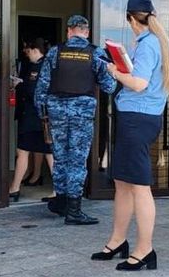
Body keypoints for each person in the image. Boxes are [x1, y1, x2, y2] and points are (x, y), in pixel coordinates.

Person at [94, 0, 169, 270]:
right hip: (144, 118)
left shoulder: (148, 45)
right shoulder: (163, 43)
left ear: (131, 18)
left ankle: (144, 249)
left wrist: (114, 70)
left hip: (136, 119)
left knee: (139, 187)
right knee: (124, 183)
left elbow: (139, 83)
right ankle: (118, 240)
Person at [34, 14, 117, 225]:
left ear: (69, 31)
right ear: (86, 32)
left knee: (60, 158)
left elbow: (41, 89)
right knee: (77, 161)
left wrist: (43, 115)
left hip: (56, 113)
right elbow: (109, 86)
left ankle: (61, 201)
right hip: (81, 115)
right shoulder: (96, 53)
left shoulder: (55, 52)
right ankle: (74, 209)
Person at [9, 38, 54, 201]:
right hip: (38, 117)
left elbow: (34, 91)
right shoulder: (42, 65)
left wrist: (18, 85)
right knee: (45, 153)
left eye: (28, 51)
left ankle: (14, 188)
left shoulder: (41, 67)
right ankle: (15, 187)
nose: (27, 55)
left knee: (30, 152)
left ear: (36, 50)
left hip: (35, 117)